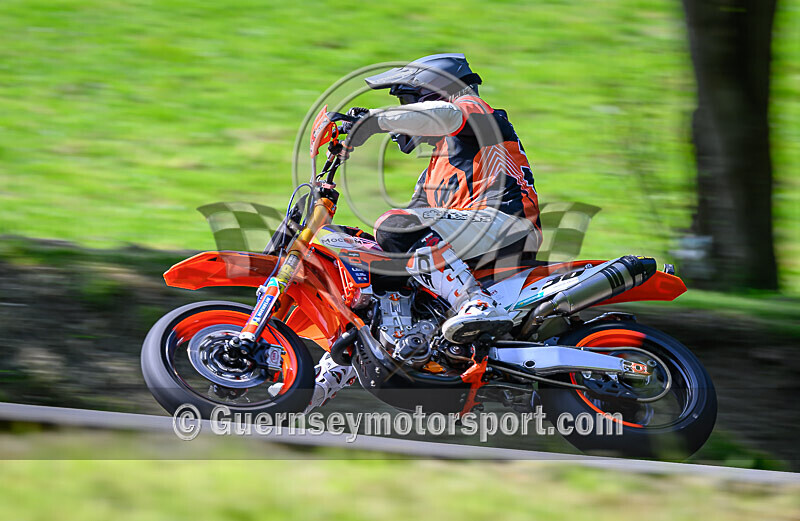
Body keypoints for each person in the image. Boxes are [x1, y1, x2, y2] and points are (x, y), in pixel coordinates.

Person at [279, 53, 541, 413]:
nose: (404, 111)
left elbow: (445, 116)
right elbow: (407, 233)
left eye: (407, 100)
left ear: (433, 91)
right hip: (470, 243)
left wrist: (372, 120)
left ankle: (475, 303)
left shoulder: (475, 111)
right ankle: (303, 396)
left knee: (394, 224)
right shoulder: (433, 170)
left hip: (504, 224)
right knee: (373, 290)